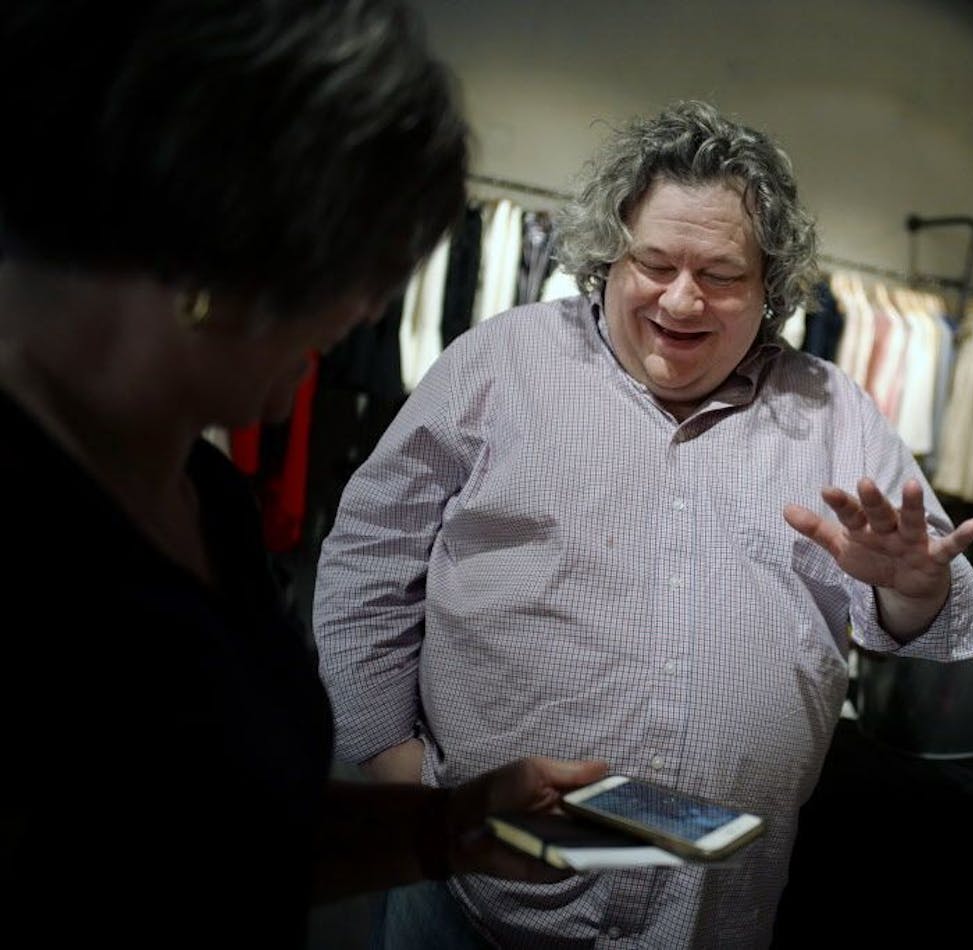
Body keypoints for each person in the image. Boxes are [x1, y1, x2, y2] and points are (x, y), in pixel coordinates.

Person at [314, 100, 973, 947]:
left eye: (721, 274)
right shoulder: (502, 362)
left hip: (708, 914)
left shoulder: (832, 413)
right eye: (656, 262)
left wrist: (912, 593)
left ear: (770, 289)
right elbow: (371, 555)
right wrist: (390, 760)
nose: (682, 298)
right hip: (472, 902)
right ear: (609, 258)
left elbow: (928, 618)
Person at [0, 2, 605, 945]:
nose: (360, 315)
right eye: (354, 271)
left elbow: (211, 844)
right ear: (236, 244)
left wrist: (450, 826)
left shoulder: (204, 496)